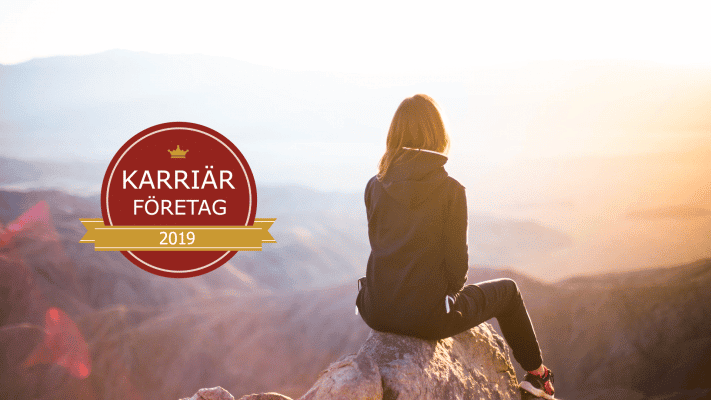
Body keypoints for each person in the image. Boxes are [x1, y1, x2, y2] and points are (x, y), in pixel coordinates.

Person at [355, 94, 556, 399]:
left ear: (393, 135)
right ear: (438, 135)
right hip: (428, 318)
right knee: (509, 291)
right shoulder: (451, 190)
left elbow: (381, 246)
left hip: (375, 309)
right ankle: (537, 376)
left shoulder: (374, 184)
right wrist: (442, 298)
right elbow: (457, 271)